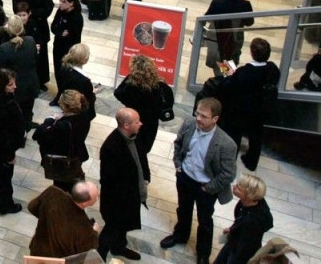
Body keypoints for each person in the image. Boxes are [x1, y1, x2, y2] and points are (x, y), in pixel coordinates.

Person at [160, 97, 238, 264]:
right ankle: (180, 235)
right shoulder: (189, 124)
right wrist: (178, 167)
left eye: (203, 116)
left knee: (205, 220)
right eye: (197, 113)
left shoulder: (226, 143)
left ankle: (203, 253)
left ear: (215, 119)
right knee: (183, 210)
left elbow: (228, 174)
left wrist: (208, 188)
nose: (198, 119)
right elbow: (178, 144)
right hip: (185, 178)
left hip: (206, 187)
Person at [216, 38, 281, 171]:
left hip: (242, 111)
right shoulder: (272, 69)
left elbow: (228, 86)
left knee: (235, 136)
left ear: (251, 53)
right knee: (256, 136)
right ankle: (252, 162)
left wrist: (228, 74)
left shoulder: (244, 72)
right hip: (260, 111)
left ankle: (229, 163)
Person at [97, 108, 150, 261]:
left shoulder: (136, 135)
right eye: (137, 121)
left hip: (131, 196)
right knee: (112, 229)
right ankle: (100, 256)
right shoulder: (111, 147)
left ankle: (119, 247)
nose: (141, 123)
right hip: (118, 200)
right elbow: (108, 180)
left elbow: (142, 158)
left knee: (124, 226)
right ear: (126, 125)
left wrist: (145, 177)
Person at [0, 68, 25, 214]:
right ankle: (4, 205)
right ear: (2, 85)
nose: (15, 86)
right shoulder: (5, 106)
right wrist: (11, 155)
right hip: (5, 146)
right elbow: (6, 134)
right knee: (5, 177)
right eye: (10, 84)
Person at [33, 89, 91, 190]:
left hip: (62, 161)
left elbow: (39, 135)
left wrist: (50, 119)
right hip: (77, 154)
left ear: (66, 107)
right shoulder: (84, 116)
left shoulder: (63, 126)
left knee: (62, 186)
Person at [27, 179, 100, 257]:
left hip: (38, 251)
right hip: (58, 261)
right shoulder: (85, 228)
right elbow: (87, 253)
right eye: (96, 197)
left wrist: (47, 218)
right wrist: (94, 233)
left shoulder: (52, 192)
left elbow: (31, 207)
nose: (98, 196)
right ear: (85, 203)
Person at [114, 54, 169, 155]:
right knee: (143, 150)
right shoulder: (160, 87)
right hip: (150, 125)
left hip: (132, 121)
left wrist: (128, 103)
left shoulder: (131, 85)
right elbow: (169, 102)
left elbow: (117, 93)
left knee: (128, 149)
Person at [214, 174, 274, 264]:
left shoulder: (252, 222)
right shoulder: (253, 201)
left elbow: (243, 251)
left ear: (249, 194)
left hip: (239, 251)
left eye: (238, 187)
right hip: (235, 241)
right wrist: (233, 228)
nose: (234, 187)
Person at [12, 0, 54, 88]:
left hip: (40, 27)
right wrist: (25, 16)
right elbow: (16, 8)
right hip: (25, 27)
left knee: (41, 56)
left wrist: (34, 13)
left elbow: (48, 7)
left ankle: (41, 81)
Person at [0, 16, 38, 130]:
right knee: (28, 109)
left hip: (15, 87)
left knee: (15, 113)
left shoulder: (4, 48)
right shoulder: (31, 41)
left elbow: (0, 70)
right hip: (30, 83)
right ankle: (27, 127)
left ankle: (19, 133)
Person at [204, 0, 255, 69]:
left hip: (216, 35)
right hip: (234, 37)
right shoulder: (245, 4)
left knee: (218, 57)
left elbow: (207, 18)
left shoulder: (217, 2)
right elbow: (249, 22)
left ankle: (220, 74)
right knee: (229, 59)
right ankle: (225, 75)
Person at [55, 44, 97, 135]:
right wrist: (93, 92)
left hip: (68, 107)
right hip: (80, 112)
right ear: (84, 59)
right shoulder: (84, 80)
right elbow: (89, 99)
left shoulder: (64, 68)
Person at [50, 0, 83, 85]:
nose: (60, 4)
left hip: (69, 51)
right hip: (57, 46)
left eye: (63, 2)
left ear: (71, 3)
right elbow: (53, 27)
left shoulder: (77, 17)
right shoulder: (60, 11)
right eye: (60, 1)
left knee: (67, 74)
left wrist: (63, 33)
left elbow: (74, 37)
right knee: (57, 70)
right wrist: (60, 32)